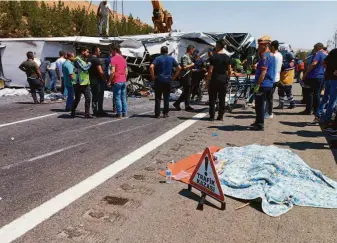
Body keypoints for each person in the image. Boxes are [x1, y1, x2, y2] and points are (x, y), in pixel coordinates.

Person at [250, 36, 276, 131]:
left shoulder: (265, 56)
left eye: (261, 45)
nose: (259, 46)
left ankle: (260, 124)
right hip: (269, 84)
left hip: (263, 84)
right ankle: (257, 121)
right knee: (259, 104)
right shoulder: (271, 55)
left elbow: (263, 72)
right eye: (259, 44)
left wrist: (257, 85)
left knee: (259, 105)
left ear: (267, 45)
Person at [150, 46, 181, 118]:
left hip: (159, 79)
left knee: (158, 97)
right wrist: (174, 76)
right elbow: (179, 67)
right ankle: (165, 113)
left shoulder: (157, 58)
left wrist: (153, 76)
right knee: (166, 97)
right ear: (167, 51)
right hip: (168, 80)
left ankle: (157, 114)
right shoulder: (171, 58)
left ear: (161, 51)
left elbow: (151, 67)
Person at [205, 39, 231, 121]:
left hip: (214, 79)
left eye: (216, 45)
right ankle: (220, 116)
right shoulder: (227, 57)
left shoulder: (213, 57)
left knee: (212, 98)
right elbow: (229, 70)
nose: (215, 46)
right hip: (223, 80)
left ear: (219, 46)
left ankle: (212, 116)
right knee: (222, 98)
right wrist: (228, 78)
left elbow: (210, 70)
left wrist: (207, 81)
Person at [311, 48, 337, 126]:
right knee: (333, 100)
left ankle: (318, 116)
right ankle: (326, 120)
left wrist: (329, 69)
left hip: (328, 78)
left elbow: (323, 63)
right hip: (335, 80)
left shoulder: (333, 51)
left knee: (325, 98)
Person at [302, 43, 327, 115]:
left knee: (310, 93)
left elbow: (314, 63)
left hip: (313, 76)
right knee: (317, 94)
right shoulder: (326, 54)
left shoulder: (318, 54)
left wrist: (306, 73)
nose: (314, 49)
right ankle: (317, 111)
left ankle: (309, 110)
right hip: (321, 76)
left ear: (318, 47)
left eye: (315, 48)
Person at [71, 47, 92, 118]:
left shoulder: (85, 59)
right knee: (77, 99)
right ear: (83, 52)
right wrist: (90, 63)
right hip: (78, 83)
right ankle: (73, 110)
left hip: (86, 83)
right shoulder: (77, 60)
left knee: (88, 98)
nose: (88, 53)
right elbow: (84, 68)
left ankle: (87, 114)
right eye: (87, 52)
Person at [173, 45, 195, 112]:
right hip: (185, 76)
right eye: (193, 50)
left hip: (189, 75)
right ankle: (178, 103)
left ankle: (186, 105)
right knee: (186, 91)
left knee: (187, 91)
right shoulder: (184, 57)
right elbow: (184, 67)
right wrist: (191, 65)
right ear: (190, 49)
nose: (193, 52)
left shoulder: (189, 57)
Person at [108, 43, 128, 119]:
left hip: (117, 80)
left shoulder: (113, 59)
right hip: (123, 80)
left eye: (111, 50)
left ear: (114, 50)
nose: (110, 52)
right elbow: (126, 71)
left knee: (117, 97)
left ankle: (119, 113)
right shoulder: (123, 58)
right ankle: (124, 112)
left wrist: (109, 81)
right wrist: (124, 78)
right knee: (123, 97)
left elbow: (113, 71)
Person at [88, 46, 108, 117]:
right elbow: (100, 71)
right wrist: (105, 79)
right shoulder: (96, 60)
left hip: (91, 79)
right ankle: (99, 110)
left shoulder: (89, 59)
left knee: (94, 95)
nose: (100, 52)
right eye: (99, 51)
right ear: (95, 52)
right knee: (99, 96)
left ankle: (94, 110)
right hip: (98, 80)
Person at [266, 40, 283, 118]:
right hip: (277, 78)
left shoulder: (273, 56)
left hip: (272, 79)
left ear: (272, 47)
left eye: (269, 46)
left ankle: (269, 113)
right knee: (269, 96)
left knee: (269, 97)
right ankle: (268, 111)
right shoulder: (280, 55)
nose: (268, 47)